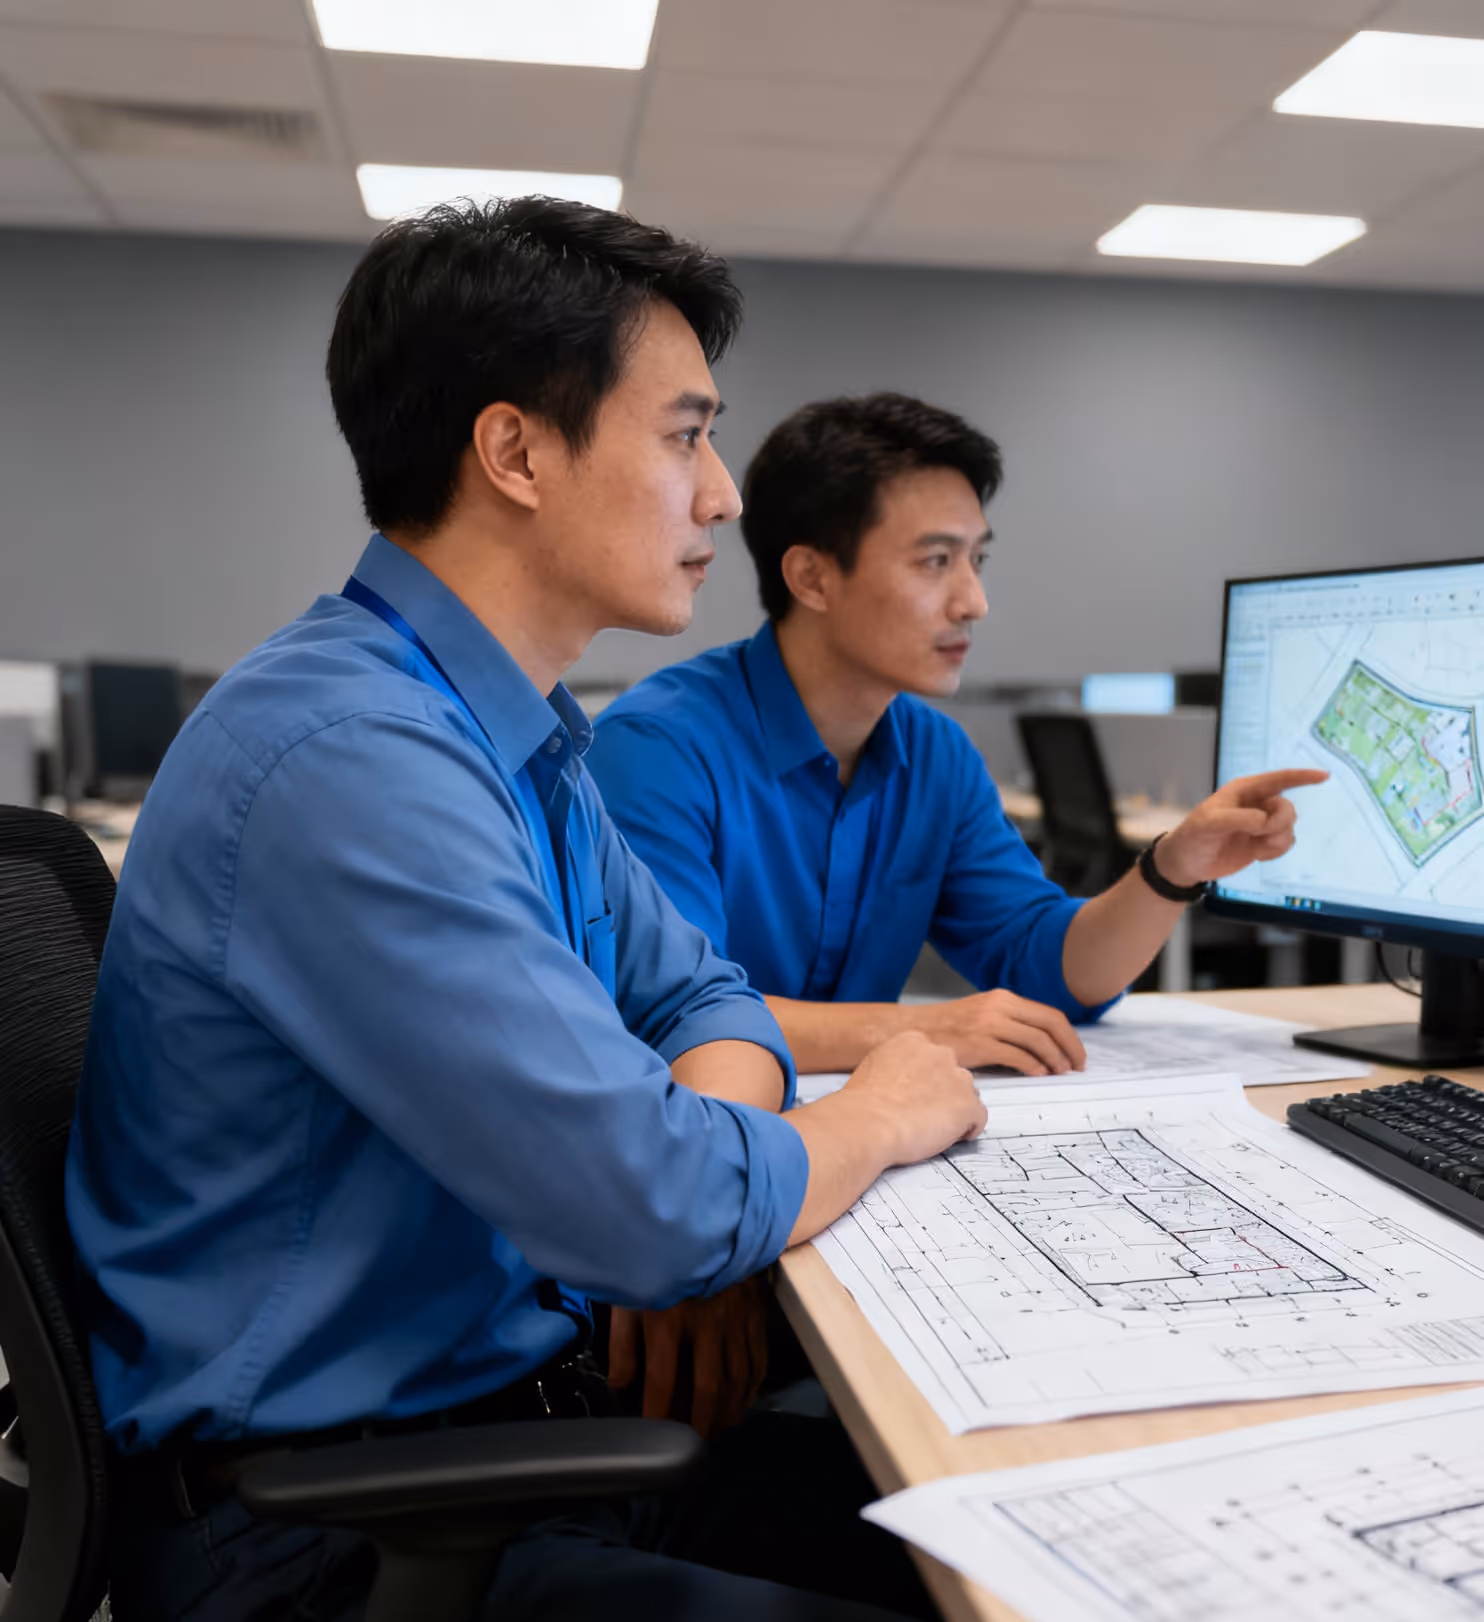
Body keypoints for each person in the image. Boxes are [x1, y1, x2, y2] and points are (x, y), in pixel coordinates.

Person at [66, 203, 988, 1622]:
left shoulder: (512, 733)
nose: (726, 493)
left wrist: (705, 1170)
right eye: (685, 434)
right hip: (325, 1535)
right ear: (515, 453)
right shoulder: (349, 756)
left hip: (504, 1438)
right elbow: (652, 1204)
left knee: (1005, 1542)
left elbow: (704, 1002)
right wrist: (878, 1110)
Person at [587, 392, 1326, 1076]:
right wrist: (920, 1031)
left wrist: (1173, 868)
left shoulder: (935, 756)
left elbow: (1051, 968)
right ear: (812, 579)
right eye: (935, 561)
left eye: (977, 560)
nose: (973, 601)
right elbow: (672, 1016)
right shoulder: (658, 751)